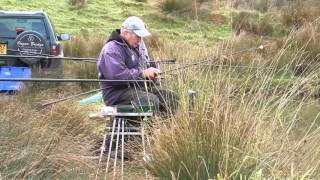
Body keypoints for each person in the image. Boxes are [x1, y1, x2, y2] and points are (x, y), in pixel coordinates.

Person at [97, 16, 179, 115]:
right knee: (150, 101)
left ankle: (164, 128)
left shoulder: (133, 47)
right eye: (138, 36)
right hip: (117, 93)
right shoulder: (112, 49)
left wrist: (152, 73)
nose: (140, 41)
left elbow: (141, 69)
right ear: (126, 33)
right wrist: (143, 73)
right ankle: (149, 128)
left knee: (172, 97)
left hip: (138, 89)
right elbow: (117, 76)